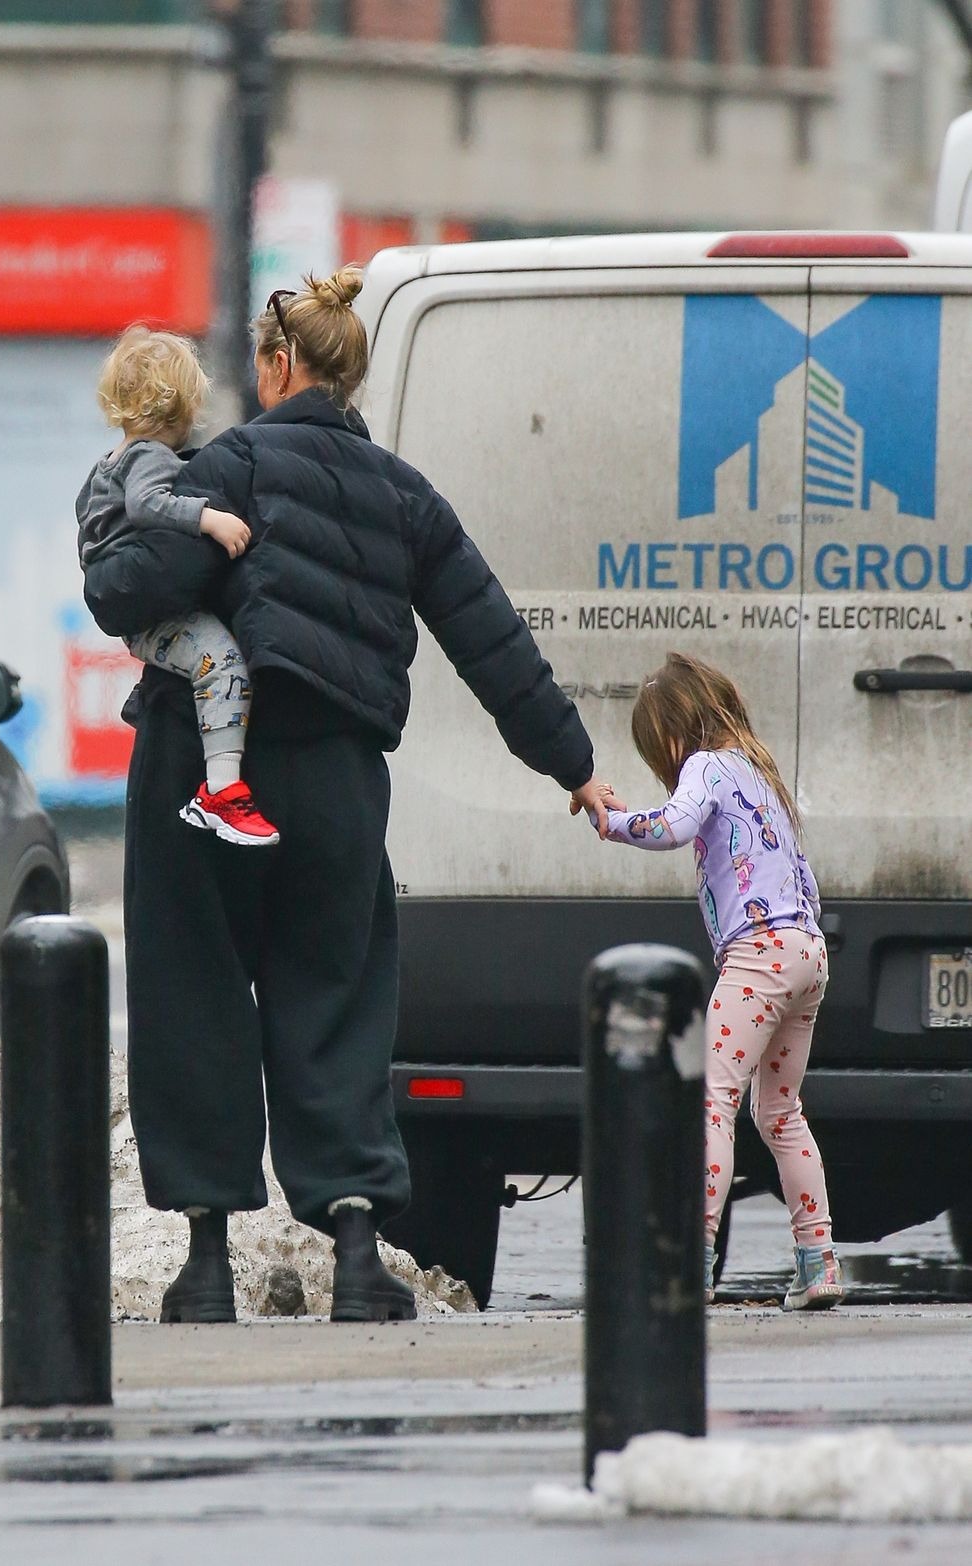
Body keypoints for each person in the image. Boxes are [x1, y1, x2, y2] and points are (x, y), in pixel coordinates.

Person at [82, 267, 618, 1324]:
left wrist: (127, 530)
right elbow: (491, 639)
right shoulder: (404, 495)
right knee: (335, 1000)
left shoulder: (226, 466)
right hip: (335, 778)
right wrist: (576, 767)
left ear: (279, 365)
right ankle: (361, 1253)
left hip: (203, 775)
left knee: (194, 998)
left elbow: (127, 592)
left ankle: (206, 1265)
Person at [586, 652, 843, 1312]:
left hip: (757, 957)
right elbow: (804, 877)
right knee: (781, 1113)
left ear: (676, 733)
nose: (665, 767)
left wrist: (612, 823)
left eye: (658, 751)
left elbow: (673, 827)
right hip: (807, 952)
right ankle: (818, 1262)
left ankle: (691, 1262)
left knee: (712, 1101)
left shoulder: (705, 765)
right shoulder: (759, 771)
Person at [76, 325, 280, 846]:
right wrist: (209, 518)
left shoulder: (108, 464)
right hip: (153, 614)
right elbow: (147, 505)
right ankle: (223, 789)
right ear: (179, 407)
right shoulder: (150, 456)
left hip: (131, 610)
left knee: (198, 664)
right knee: (223, 663)